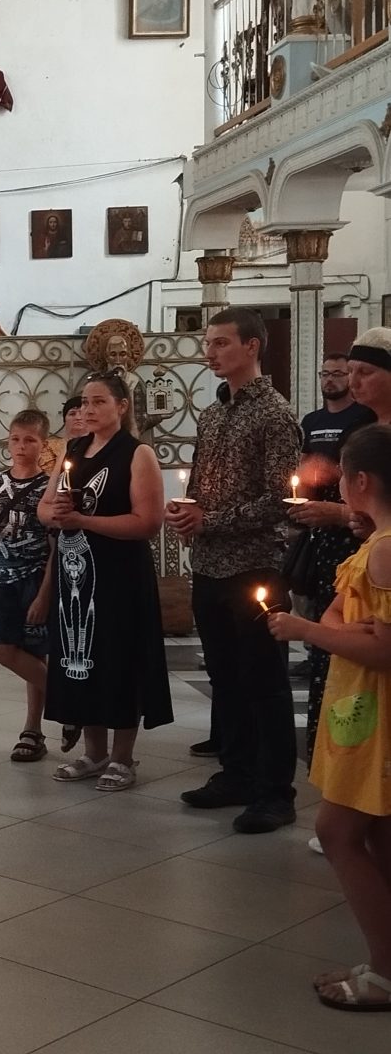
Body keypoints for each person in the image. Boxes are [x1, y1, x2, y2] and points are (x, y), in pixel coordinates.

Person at [267, 422, 391, 1009]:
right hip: (364, 704)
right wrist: (340, 628)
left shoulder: (385, 550)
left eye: (342, 474)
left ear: (360, 481)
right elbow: (342, 617)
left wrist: (304, 630)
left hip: (378, 710)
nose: (338, 484)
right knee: (379, 835)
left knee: (336, 831)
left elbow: (381, 648)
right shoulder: (376, 542)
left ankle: (385, 973)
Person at [167, 307, 301, 833]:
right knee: (225, 677)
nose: (210, 352)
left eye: (221, 342)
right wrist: (188, 511)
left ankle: (276, 792)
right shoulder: (212, 413)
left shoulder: (275, 414)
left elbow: (280, 500)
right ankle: (237, 774)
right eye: (208, 343)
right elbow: (203, 484)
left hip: (254, 567)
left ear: (252, 346)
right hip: (210, 565)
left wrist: (212, 520)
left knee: (264, 681)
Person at [41, 373, 172, 789]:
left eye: (99, 402)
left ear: (122, 406)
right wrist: (58, 513)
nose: (89, 410)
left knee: (119, 658)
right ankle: (93, 753)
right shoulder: (73, 450)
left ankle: (122, 757)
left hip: (119, 575)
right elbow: (45, 508)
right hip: (75, 574)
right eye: (84, 402)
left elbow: (147, 522)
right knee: (80, 658)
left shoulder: (137, 453)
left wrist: (83, 520)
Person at [285, 350, 375, 759]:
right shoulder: (313, 421)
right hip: (327, 541)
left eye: (360, 372)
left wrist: (342, 512)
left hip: (359, 542)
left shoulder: (365, 424)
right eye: (339, 373)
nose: (349, 381)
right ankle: (333, 754)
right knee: (328, 622)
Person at [0, 410, 55, 764]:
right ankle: (71, 699)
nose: (21, 447)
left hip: (36, 578)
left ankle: (32, 730)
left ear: (43, 445)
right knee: (1, 649)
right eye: (15, 439)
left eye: (30, 440)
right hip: (4, 578)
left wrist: (45, 594)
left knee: (35, 654)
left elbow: (56, 546)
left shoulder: (49, 487)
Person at [56, 392, 89, 754]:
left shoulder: (124, 453)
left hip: (93, 554)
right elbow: (47, 507)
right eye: (74, 411)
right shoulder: (63, 453)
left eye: (89, 409)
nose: (81, 416)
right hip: (59, 551)